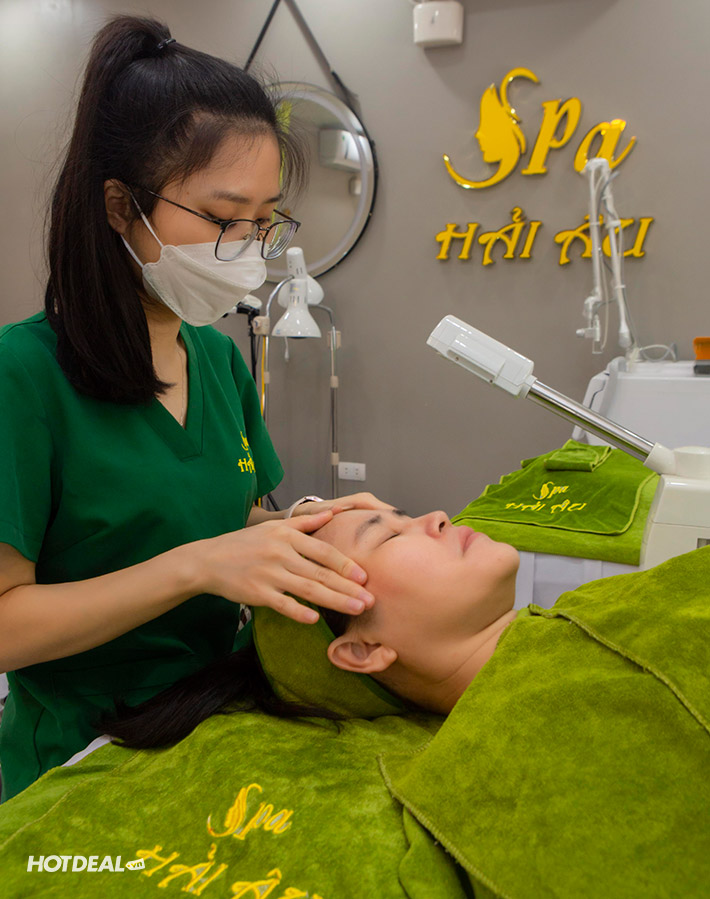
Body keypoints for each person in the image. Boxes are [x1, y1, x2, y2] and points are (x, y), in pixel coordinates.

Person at [0, 15, 391, 802]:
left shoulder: (215, 357)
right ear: (120, 207)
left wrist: (303, 529)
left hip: (211, 718)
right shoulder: (24, 374)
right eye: (222, 218)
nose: (248, 246)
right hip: (78, 756)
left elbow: (225, 513)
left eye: (264, 219)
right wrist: (195, 567)